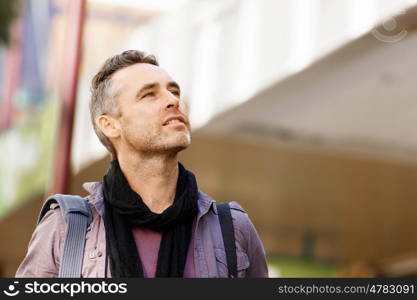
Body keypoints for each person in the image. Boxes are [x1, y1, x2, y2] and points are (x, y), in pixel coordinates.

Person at [16, 50, 268, 278]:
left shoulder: (232, 228)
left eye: (174, 91)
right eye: (149, 94)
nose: (173, 101)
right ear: (110, 125)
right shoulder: (66, 226)